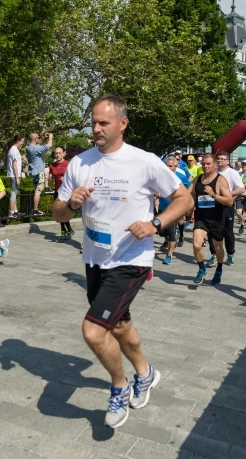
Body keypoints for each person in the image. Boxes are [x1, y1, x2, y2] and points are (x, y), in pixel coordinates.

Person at [52, 95, 192, 429]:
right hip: (94, 258)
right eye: (94, 122)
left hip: (131, 258)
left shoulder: (143, 162)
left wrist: (155, 224)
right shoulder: (80, 163)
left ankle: (119, 386)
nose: (96, 129)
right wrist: (71, 204)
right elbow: (57, 213)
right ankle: (146, 373)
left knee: (93, 330)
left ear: (123, 124)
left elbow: (184, 199)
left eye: (104, 123)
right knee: (118, 324)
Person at [191, 154, 234, 285]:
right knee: (196, 244)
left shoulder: (221, 180)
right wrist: (190, 208)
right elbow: (192, 194)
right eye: (203, 163)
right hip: (201, 218)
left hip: (216, 219)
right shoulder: (197, 179)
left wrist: (213, 194)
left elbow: (229, 201)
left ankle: (219, 269)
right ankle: (202, 269)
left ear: (215, 165)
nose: (205, 166)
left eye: (208, 164)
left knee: (218, 247)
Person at [214, 151, 245, 266]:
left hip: (227, 205)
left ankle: (230, 254)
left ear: (227, 161)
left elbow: (241, 189)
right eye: (219, 158)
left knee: (228, 231)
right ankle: (214, 255)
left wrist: (227, 195)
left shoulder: (232, 173)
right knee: (214, 232)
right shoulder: (213, 171)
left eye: (223, 159)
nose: (220, 160)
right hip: (213, 205)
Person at [160, 157, 192, 265]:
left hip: (174, 209)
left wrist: (185, 198)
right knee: (161, 231)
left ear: (176, 167)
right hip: (161, 208)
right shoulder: (159, 177)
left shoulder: (180, 176)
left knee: (172, 233)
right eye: (166, 165)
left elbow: (190, 185)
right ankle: (170, 238)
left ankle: (169, 255)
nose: (168, 168)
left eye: (170, 166)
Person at [26, 132, 53, 215]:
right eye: (38, 138)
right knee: (38, 191)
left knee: (47, 169)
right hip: (38, 172)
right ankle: (35, 209)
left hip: (37, 171)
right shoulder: (35, 149)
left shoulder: (30, 147)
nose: (39, 139)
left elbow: (38, 144)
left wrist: (43, 138)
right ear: (34, 139)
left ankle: (47, 187)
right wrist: (50, 138)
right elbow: (49, 146)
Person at [49, 146, 73, 240]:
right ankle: (64, 230)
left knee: (62, 211)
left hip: (66, 191)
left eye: (59, 153)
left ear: (64, 153)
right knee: (58, 212)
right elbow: (51, 176)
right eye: (56, 153)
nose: (58, 155)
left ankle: (68, 230)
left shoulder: (68, 164)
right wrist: (50, 177)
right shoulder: (52, 165)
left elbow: (73, 178)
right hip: (57, 191)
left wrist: (66, 179)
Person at [5, 134, 24, 217]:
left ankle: (15, 210)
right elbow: (14, 164)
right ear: (18, 141)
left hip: (14, 174)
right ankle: (12, 211)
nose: (22, 143)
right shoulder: (14, 150)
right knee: (14, 192)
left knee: (15, 192)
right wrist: (17, 177)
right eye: (22, 141)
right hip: (14, 174)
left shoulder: (14, 149)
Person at [235, 160, 246, 231]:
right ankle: (242, 223)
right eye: (243, 164)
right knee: (238, 212)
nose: (243, 166)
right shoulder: (237, 174)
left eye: (245, 164)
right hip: (240, 196)